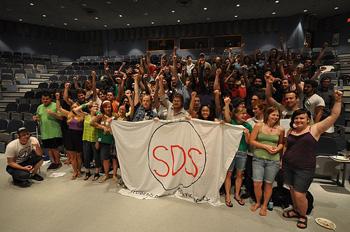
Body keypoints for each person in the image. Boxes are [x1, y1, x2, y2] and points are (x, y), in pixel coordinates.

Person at [281, 90, 343, 229]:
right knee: (291, 189)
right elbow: (286, 146)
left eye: (302, 118)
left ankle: (302, 216)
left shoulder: (315, 129)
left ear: (308, 119)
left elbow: (333, 116)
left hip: (304, 168)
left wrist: (338, 101)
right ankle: (296, 210)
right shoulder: (290, 131)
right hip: (288, 166)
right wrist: (282, 161)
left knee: (299, 193)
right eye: (296, 118)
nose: (298, 120)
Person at [249, 106, 285, 216]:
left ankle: (264, 205)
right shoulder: (258, 125)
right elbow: (251, 141)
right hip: (258, 159)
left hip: (273, 160)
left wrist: (278, 149)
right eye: (273, 114)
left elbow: (281, 143)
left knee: (269, 184)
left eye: (277, 115)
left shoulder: (281, 129)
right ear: (268, 115)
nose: (275, 117)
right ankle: (258, 202)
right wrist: (265, 146)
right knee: (257, 183)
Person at [223, 97, 252, 207]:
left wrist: (247, 135)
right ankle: (227, 195)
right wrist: (227, 104)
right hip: (231, 152)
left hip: (242, 153)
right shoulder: (232, 122)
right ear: (235, 115)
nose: (244, 115)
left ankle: (237, 194)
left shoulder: (248, 126)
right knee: (229, 174)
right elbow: (226, 116)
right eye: (241, 113)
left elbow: (249, 143)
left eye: (245, 114)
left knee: (240, 175)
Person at [33, 91, 63, 170]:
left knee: (54, 148)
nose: (45, 100)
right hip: (44, 131)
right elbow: (38, 117)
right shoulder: (39, 107)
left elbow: (61, 117)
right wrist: (36, 118)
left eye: (47, 99)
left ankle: (58, 162)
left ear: (50, 99)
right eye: (43, 99)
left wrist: (53, 114)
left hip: (54, 131)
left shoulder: (55, 105)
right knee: (49, 148)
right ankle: (53, 162)